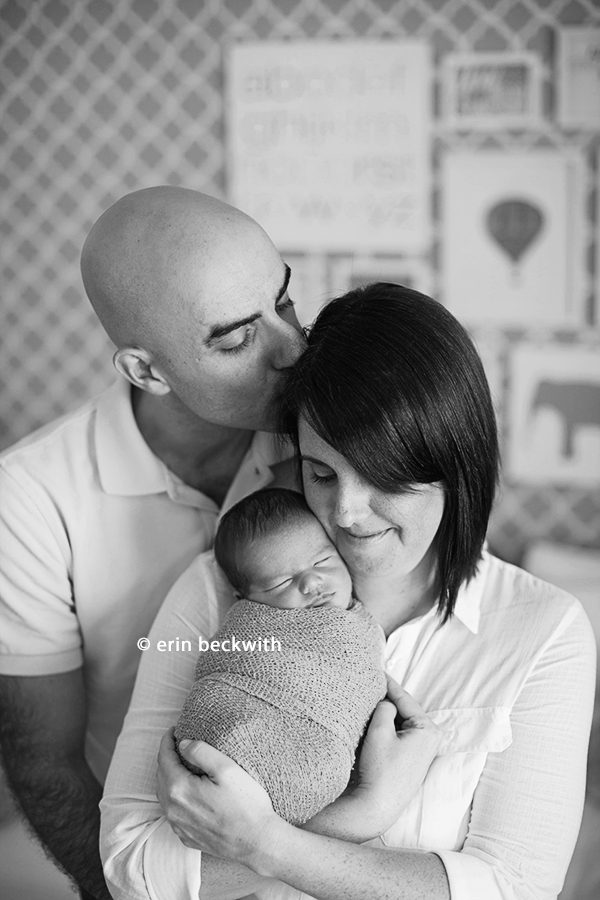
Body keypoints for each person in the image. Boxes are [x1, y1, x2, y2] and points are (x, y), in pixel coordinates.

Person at [101, 283, 596, 900]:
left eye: (385, 477)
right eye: (322, 473)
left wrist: (267, 845)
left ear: (454, 462)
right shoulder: (225, 587)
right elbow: (128, 861)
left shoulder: (544, 630)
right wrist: (363, 814)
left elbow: (515, 888)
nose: (346, 513)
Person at [0, 186, 305, 899]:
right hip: (136, 858)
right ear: (146, 371)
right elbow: (45, 762)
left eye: (285, 301)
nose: (294, 348)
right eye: (237, 338)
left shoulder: (329, 447)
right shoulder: (27, 500)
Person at [175, 487, 387, 825]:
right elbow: (225, 668)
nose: (311, 583)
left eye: (322, 562)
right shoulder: (251, 631)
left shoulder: (361, 627)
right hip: (232, 734)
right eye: (281, 583)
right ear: (246, 600)